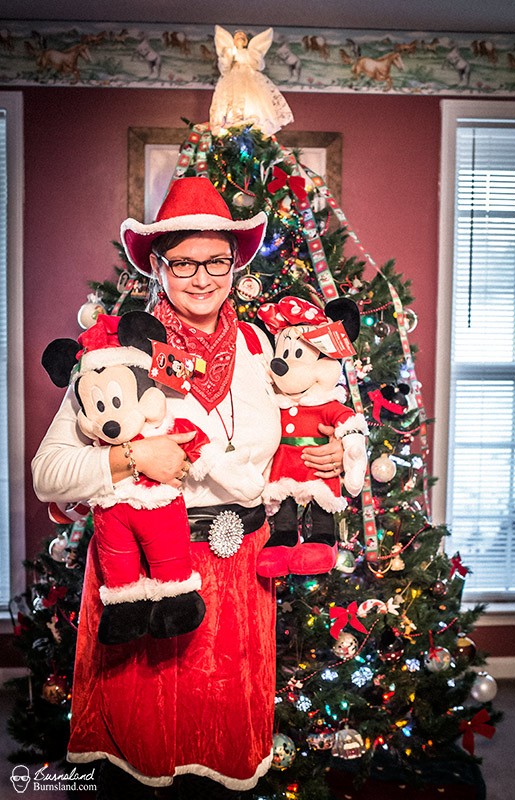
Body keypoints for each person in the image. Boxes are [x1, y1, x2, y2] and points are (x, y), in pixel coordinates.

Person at [32, 177, 344, 799]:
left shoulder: (263, 348)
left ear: (237, 263)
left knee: (221, 762)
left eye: (216, 262)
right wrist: (129, 457)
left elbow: (285, 436)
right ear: (157, 265)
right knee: (143, 759)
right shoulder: (117, 352)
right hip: (144, 572)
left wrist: (324, 453)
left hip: (241, 571)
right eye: (183, 263)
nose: (202, 278)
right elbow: (49, 472)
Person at [209, 26, 293, 136]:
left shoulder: (250, 53)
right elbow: (224, 68)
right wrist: (228, 56)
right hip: (233, 79)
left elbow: (259, 65)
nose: (240, 37)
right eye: (237, 36)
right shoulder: (230, 52)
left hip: (250, 79)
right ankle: (233, 121)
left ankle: (252, 122)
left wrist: (252, 56)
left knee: (253, 100)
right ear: (232, 40)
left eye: (243, 37)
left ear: (247, 41)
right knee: (230, 100)